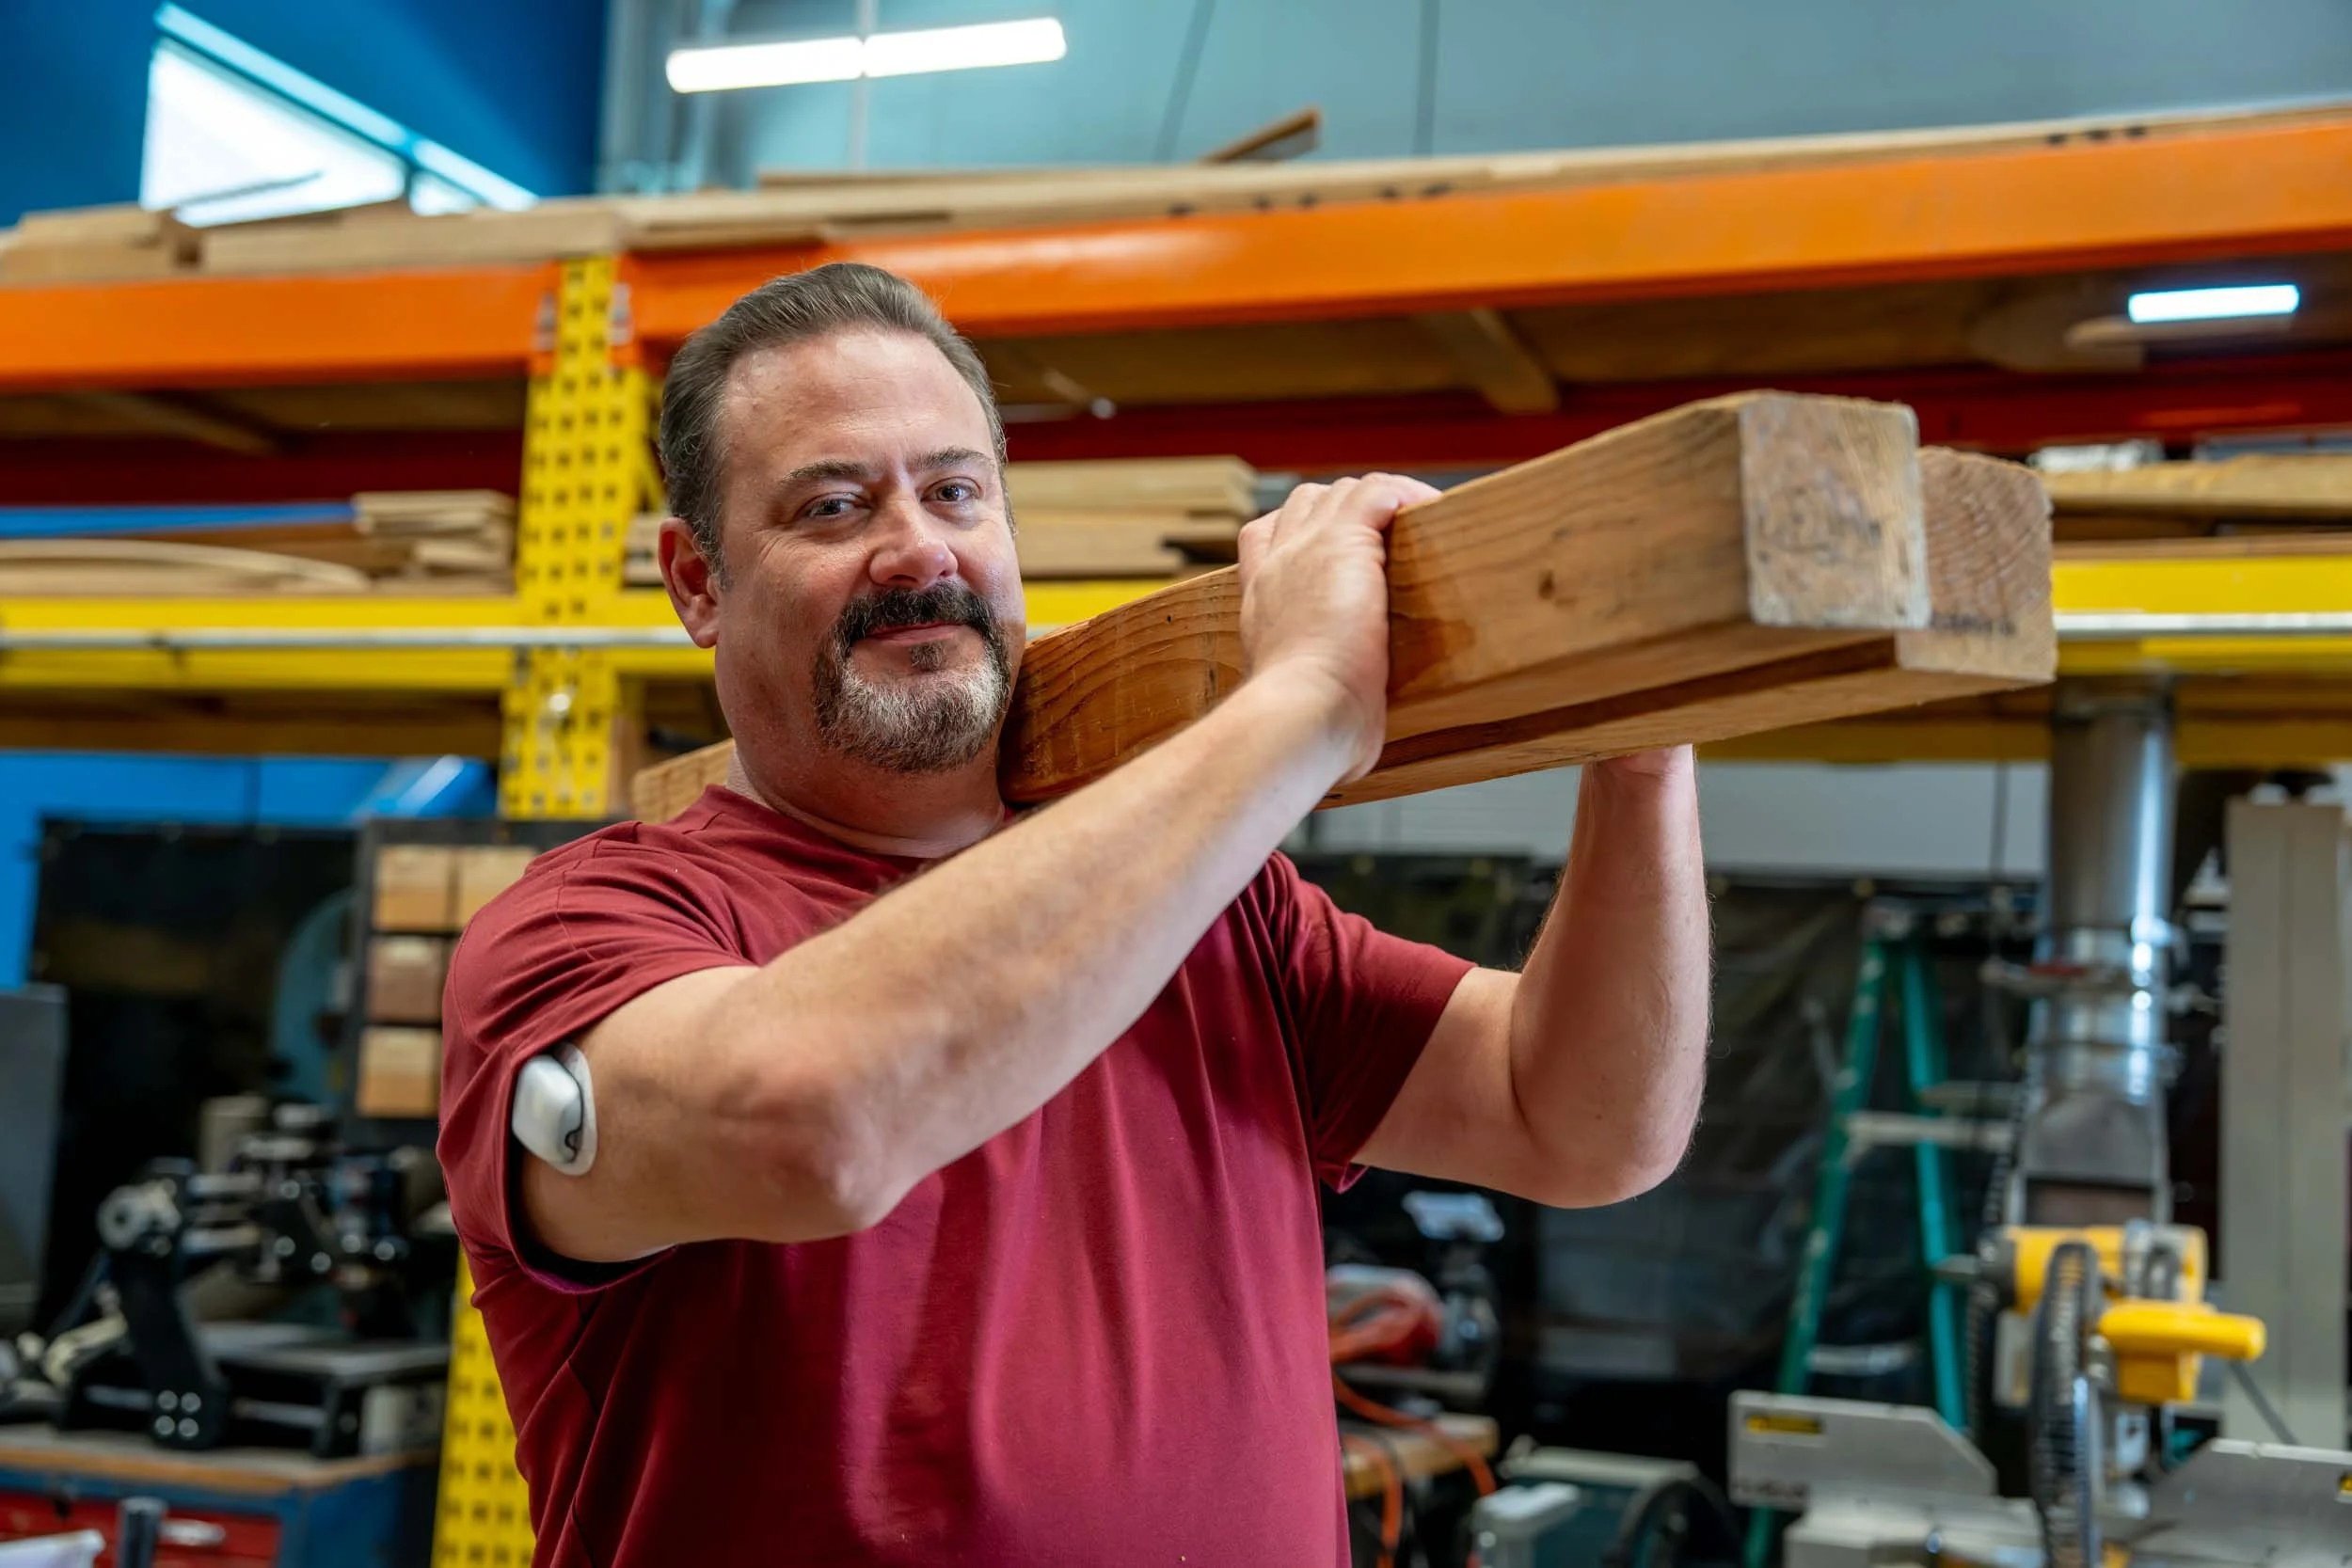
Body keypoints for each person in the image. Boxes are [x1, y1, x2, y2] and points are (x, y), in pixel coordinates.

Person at [437, 261, 1708, 1568]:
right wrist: (1306, 702)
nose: (921, 547)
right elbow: (816, 1123)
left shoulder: (1218, 904)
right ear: (697, 582)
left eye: (954, 490)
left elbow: (1582, 1121)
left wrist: (1638, 743)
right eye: (833, 504)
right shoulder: (585, 937)